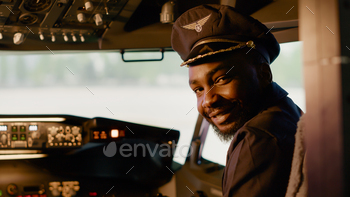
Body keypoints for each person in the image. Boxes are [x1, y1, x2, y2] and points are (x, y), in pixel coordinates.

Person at [171, 4, 302, 197]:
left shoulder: (257, 139)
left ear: (264, 74)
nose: (208, 101)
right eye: (198, 89)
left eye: (221, 79)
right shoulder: (287, 113)